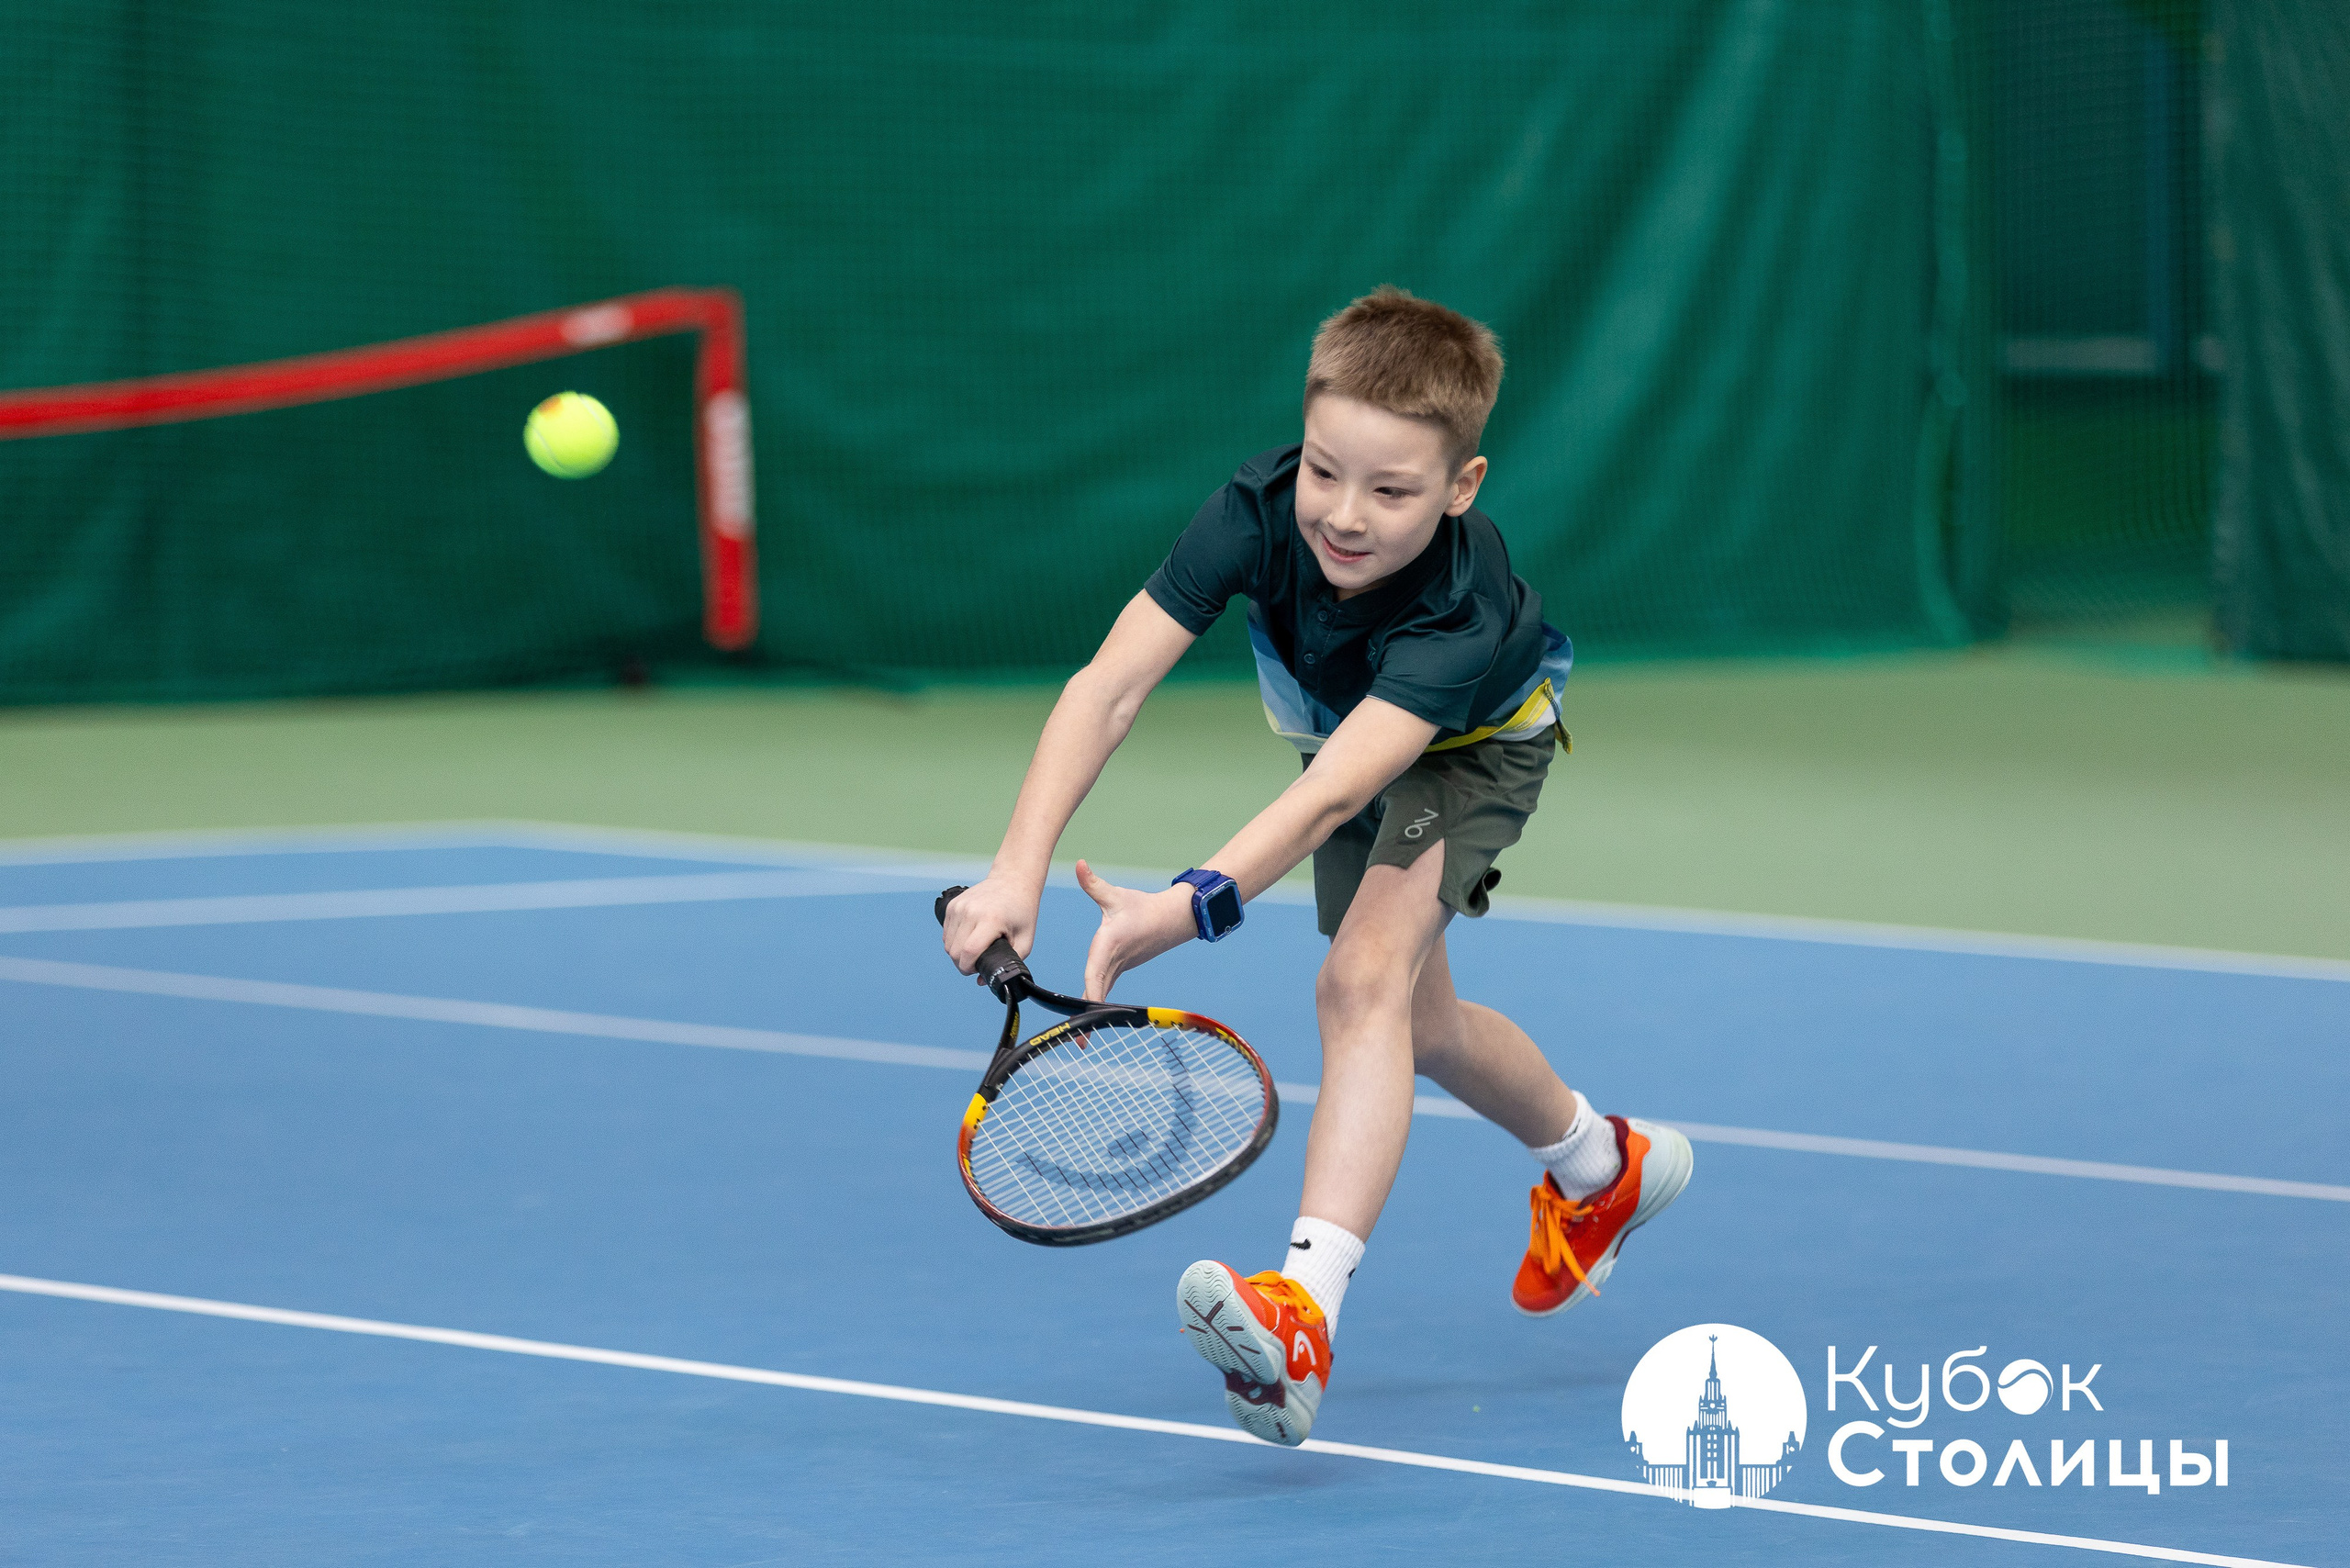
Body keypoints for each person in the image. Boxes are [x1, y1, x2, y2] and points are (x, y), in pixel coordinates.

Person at [939, 286, 1692, 1447]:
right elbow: (1109, 685)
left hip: (1468, 749)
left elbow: (1337, 791)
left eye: (1392, 491)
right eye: (1326, 473)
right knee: (1418, 1025)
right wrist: (1013, 869)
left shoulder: (1459, 607)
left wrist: (1188, 905)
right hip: (1336, 733)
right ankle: (1604, 1164)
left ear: (1461, 487)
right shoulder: (1252, 508)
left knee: (1357, 984)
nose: (1344, 515)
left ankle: (1302, 1314)